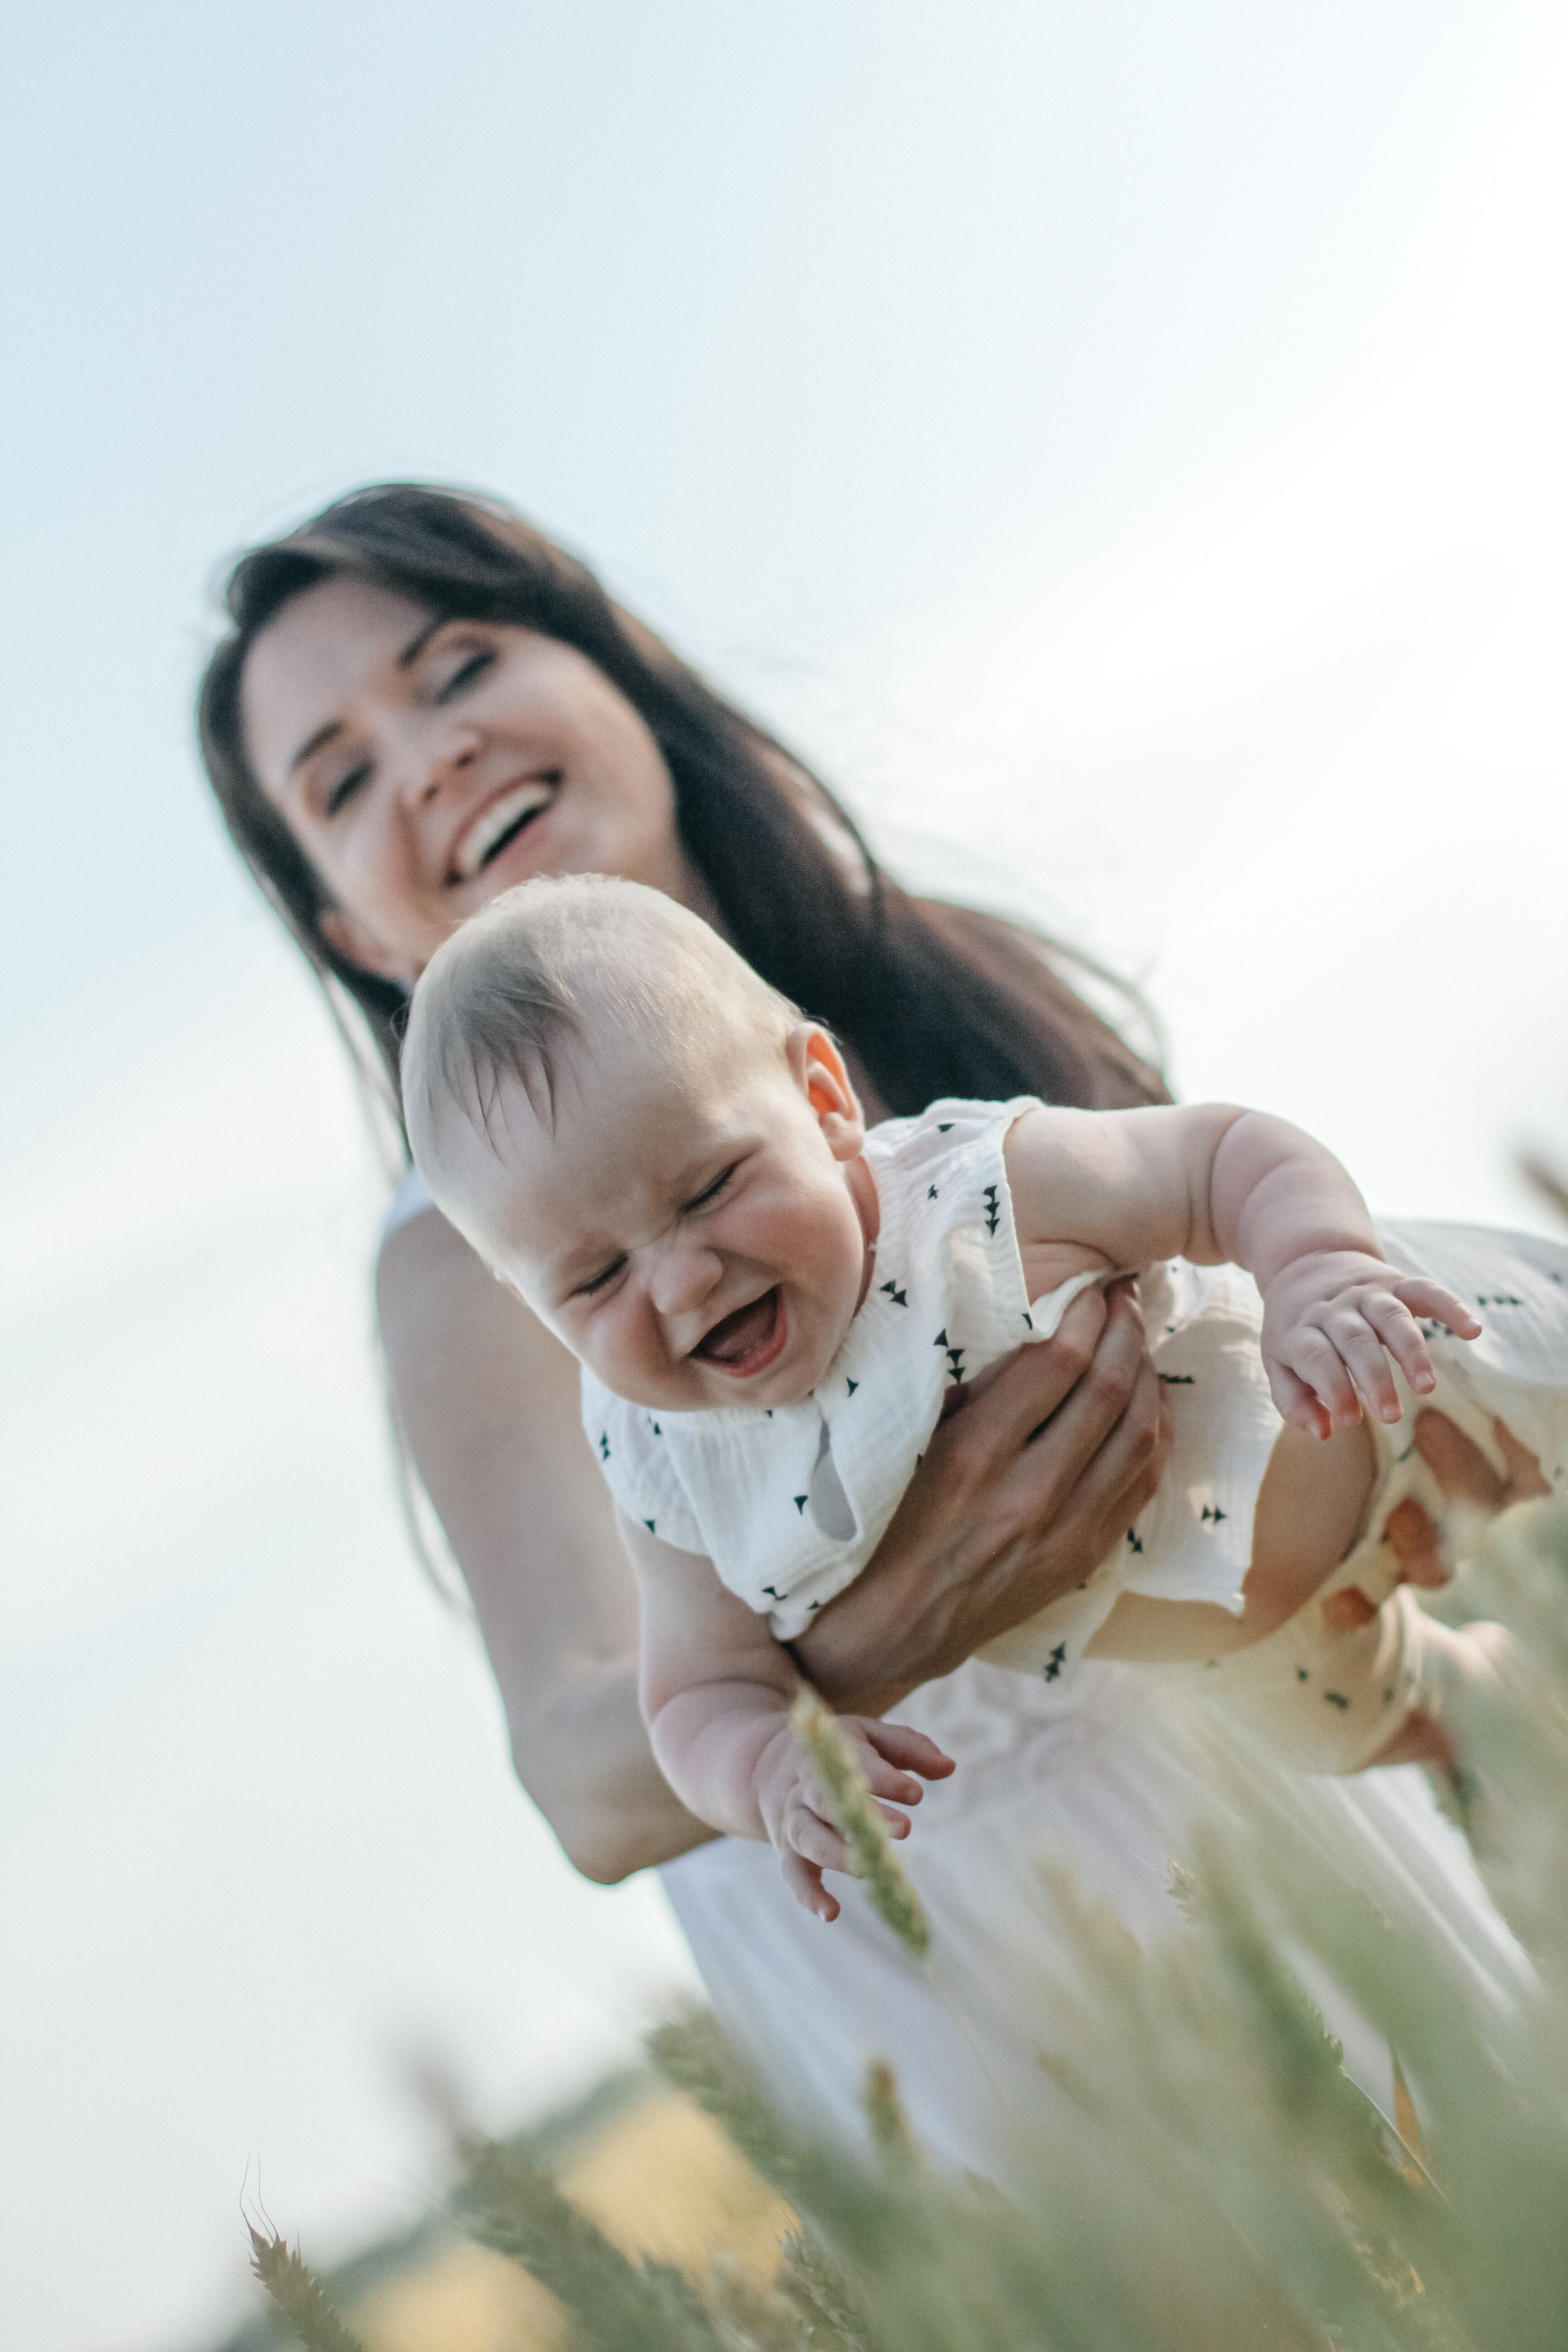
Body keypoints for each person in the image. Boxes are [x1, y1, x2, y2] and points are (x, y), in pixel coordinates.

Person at [199, 481, 1541, 2174]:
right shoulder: (467, 1262)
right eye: (340, 778)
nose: (427, 758)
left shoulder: (920, 1002)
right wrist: (864, 1639)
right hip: (963, 1965)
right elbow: (580, 1772)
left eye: (455, 669)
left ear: (622, 674)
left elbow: (1233, 1279)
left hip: (1259, 1796)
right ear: (354, 929)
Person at [398, 875, 1558, 1915]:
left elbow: (1222, 1158)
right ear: (526, 1298)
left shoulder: (971, 1199)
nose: (683, 1276)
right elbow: (699, 1691)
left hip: (1374, 1383)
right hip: (1257, 1648)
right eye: (596, 1276)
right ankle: (1481, 1691)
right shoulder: (665, 1470)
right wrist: (765, 1767)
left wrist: (1317, 1271)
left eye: (710, 1187)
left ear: (823, 1100)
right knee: (1398, 1727)